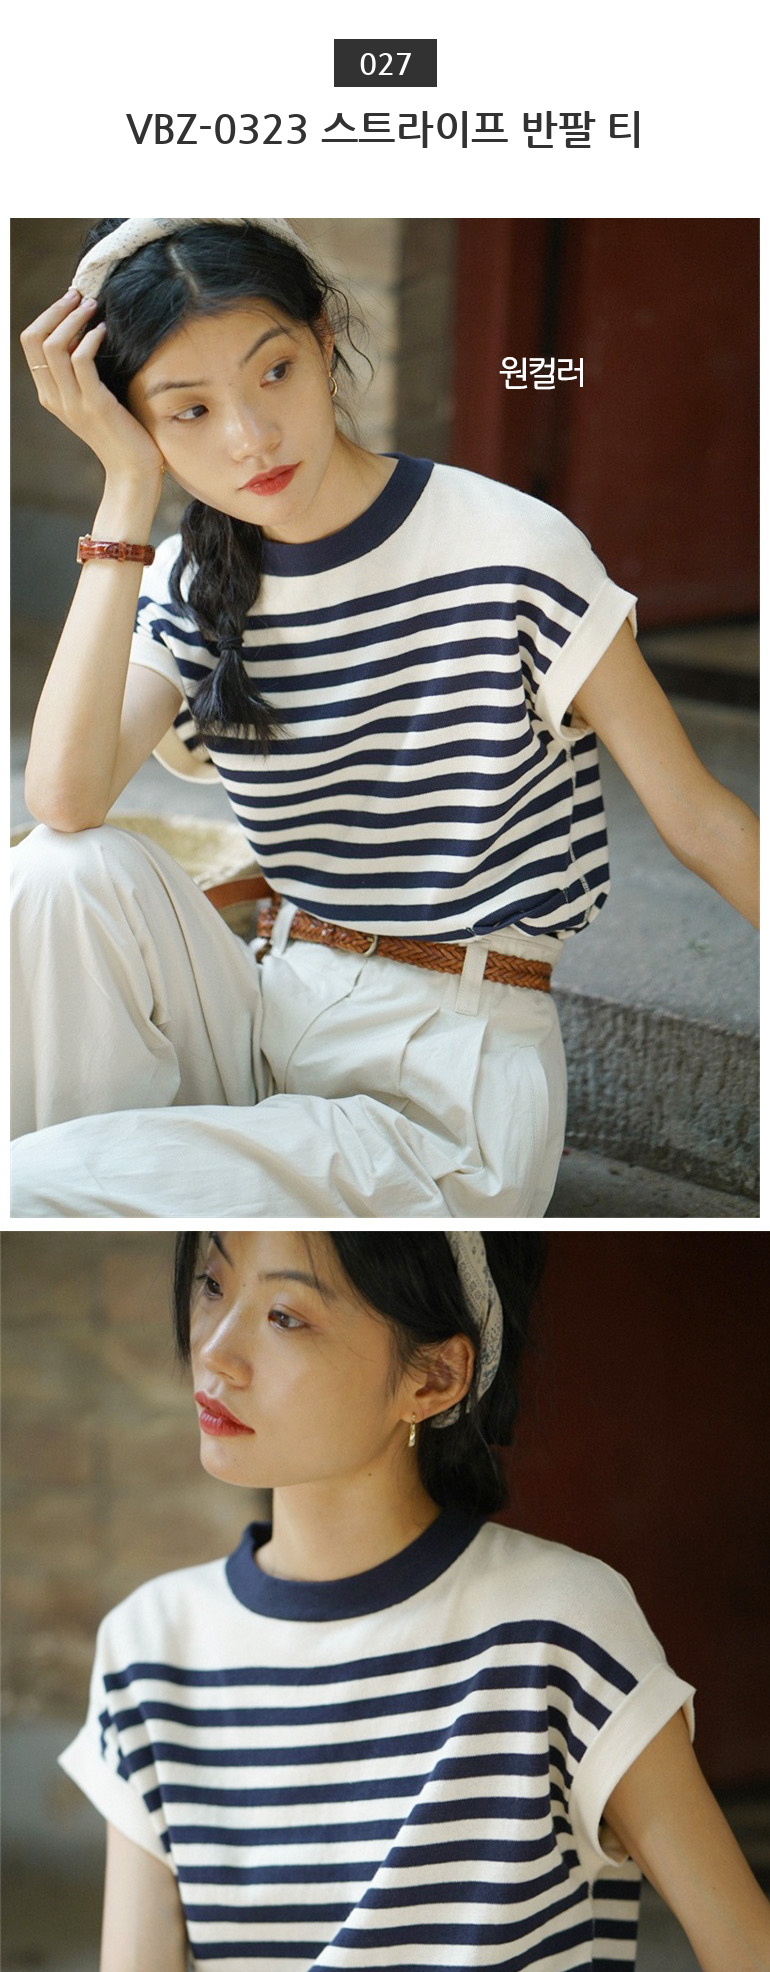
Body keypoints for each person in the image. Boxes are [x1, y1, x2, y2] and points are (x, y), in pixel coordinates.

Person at [7, 1223, 768, 1972]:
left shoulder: (557, 1623)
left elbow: (749, 1965)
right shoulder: (151, 1642)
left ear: (433, 1376)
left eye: (285, 1314)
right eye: (211, 1285)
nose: (215, 1350)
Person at [12, 212, 759, 1224]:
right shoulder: (194, 578)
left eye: (274, 372)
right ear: (135, 425)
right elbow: (63, 801)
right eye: (188, 411)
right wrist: (126, 493)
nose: (249, 437)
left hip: (446, 1084)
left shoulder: (510, 547)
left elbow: (701, 820)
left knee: (32, 1182)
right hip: (271, 1011)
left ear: (325, 340)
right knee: (65, 871)